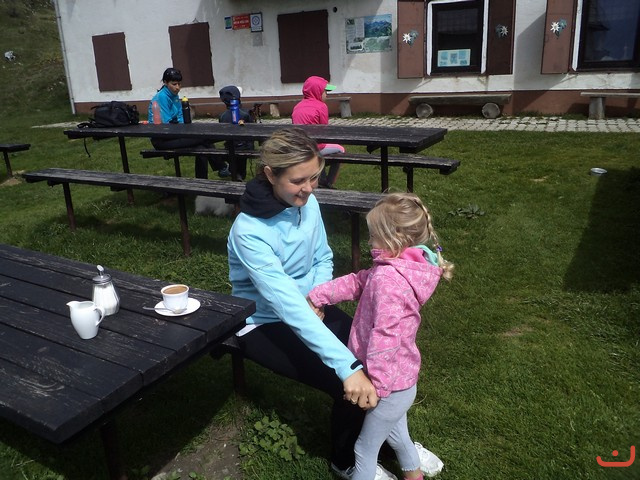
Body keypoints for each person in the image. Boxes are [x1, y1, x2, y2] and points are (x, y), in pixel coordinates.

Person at [227, 127, 396, 480]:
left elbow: (322, 257)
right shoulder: (248, 231)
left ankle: (392, 443)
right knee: (344, 381)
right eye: (298, 181)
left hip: (308, 307)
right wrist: (348, 368)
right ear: (271, 174)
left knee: (380, 358)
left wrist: (316, 297)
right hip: (262, 321)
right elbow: (284, 304)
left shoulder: (308, 203)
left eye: (314, 177)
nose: (308, 188)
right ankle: (345, 461)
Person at [308, 192, 453, 480]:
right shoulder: (402, 267)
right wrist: (318, 295)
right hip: (403, 379)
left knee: (364, 449)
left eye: (373, 235)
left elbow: (385, 338)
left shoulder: (388, 281)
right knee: (399, 437)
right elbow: (358, 281)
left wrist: (375, 386)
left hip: (387, 385)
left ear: (393, 238)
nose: (369, 240)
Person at [147, 67, 230, 179]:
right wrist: (182, 128)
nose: (177, 87)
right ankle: (222, 166)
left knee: (202, 148)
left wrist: (184, 127)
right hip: (162, 139)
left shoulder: (174, 96)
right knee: (203, 138)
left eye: (179, 84)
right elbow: (166, 125)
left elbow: (180, 117)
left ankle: (202, 181)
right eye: (174, 84)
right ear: (165, 83)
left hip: (173, 134)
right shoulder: (162, 97)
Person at [292, 75, 344, 189]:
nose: (327, 94)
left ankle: (321, 179)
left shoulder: (297, 106)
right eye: (325, 91)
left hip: (300, 146)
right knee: (340, 149)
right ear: (317, 91)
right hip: (315, 146)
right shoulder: (321, 107)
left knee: (319, 155)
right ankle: (329, 183)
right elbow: (324, 132)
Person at [218, 85, 255, 181]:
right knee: (241, 165)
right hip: (243, 147)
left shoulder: (222, 116)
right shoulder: (245, 114)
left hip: (229, 146)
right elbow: (252, 131)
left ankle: (234, 174)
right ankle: (240, 176)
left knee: (234, 164)